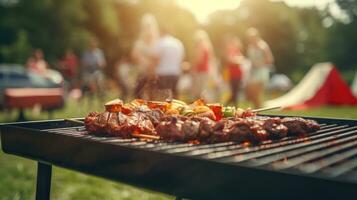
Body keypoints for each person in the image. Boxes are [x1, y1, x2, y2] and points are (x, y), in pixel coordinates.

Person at [151, 25, 184, 100]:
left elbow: (155, 59)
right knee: (175, 97)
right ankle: (178, 111)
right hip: (175, 73)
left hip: (162, 73)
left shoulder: (160, 42)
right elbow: (181, 59)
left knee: (162, 97)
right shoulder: (178, 43)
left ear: (161, 32)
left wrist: (152, 72)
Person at [131, 13, 159, 99]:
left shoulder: (157, 42)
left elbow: (157, 58)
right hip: (142, 73)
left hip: (153, 73)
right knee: (138, 95)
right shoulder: (139, 43)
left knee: (152, 96)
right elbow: (134, 56)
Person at [245, 28, 274, 108]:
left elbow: (270, 59)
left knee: (257, 93)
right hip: (253, 72)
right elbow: (250, 61)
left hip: (261, 72)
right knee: (252, 94)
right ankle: (257, 110)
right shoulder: (250, 47)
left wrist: (260, 64)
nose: (251, 39)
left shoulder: (263, 46)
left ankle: (259, 111)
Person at [192, 29, 217, 101]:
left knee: (200, 92)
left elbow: (199, 60)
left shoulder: (200, 46)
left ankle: (201, 108)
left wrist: (192, 66)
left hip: (200, 71)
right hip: (206, 71)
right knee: (204, 91)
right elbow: (211, 60)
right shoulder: (208, 47)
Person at [224, 35, 244, 106]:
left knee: (235, 92)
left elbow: (241, 60)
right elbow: (230, 60)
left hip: (239, 74)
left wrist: (236, 60)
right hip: (232, 75)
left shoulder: (238, 51)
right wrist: (236, 60)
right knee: (234, 92)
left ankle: (228, 105)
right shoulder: (229, 52)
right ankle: (231, 106)